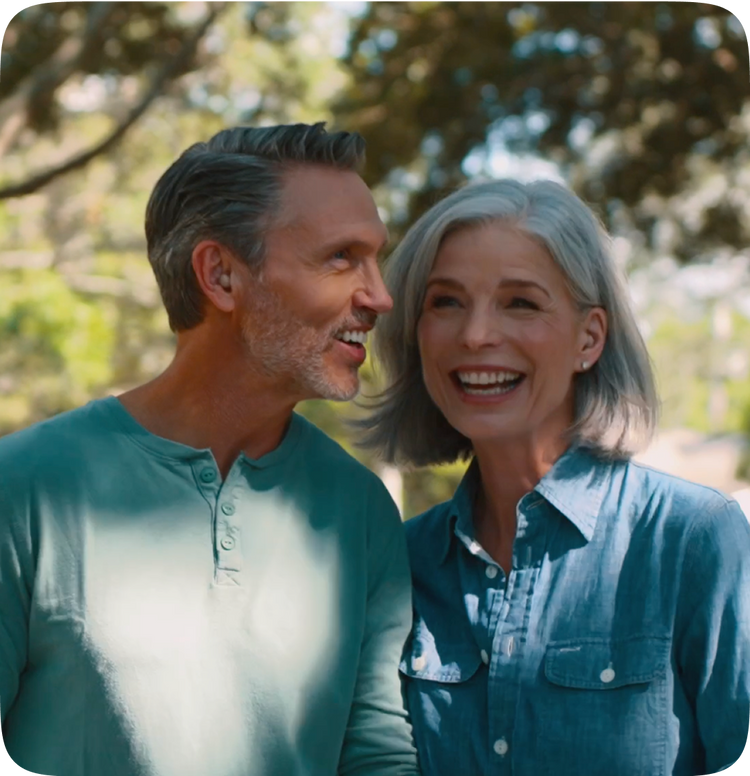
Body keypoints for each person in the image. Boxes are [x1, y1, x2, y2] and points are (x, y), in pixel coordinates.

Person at [0, 123, 420, 776]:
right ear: (221, 275)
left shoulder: (360, 513)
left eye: (375, 259)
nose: (380, 296)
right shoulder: (25, 487)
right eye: (342, 258)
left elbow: (377, 758)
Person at [358, 178, 750, 775]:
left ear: (589, 338)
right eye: (446, 301)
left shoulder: (693, 539)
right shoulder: (397, 564)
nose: (475, 334)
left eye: (521, 302)